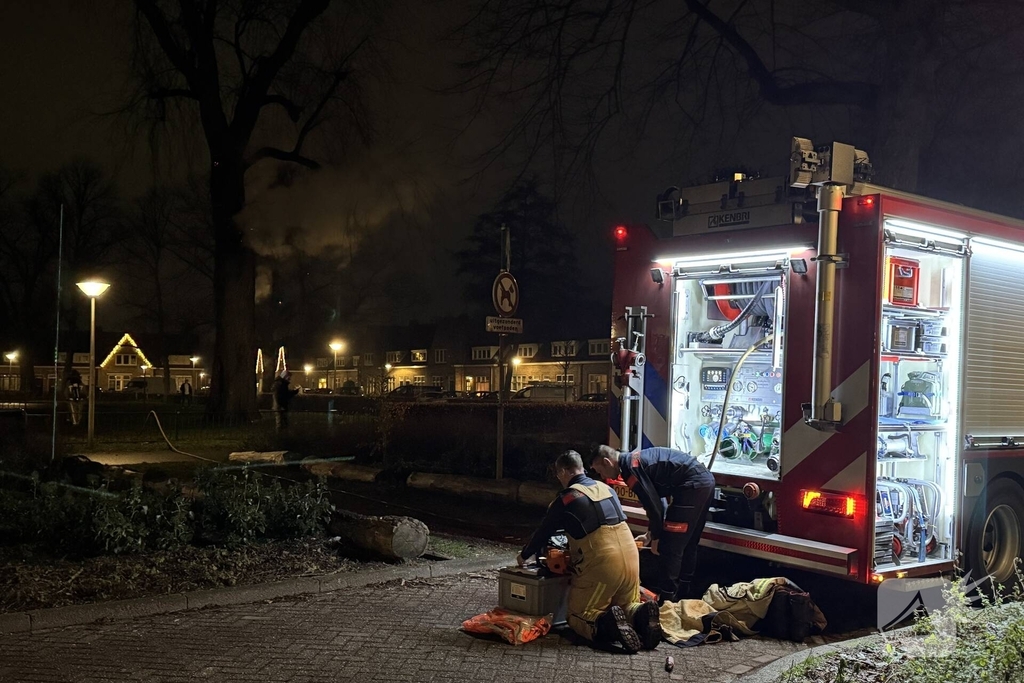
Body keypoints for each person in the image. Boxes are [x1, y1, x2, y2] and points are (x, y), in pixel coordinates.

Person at [517, 450, 661, 653]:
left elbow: (544, 532)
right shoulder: (606, 488)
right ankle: (640, 615)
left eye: (559, 476)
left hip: (603, 563)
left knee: (581, 615)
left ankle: (609, 627)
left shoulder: (566, 498)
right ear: (582, 469)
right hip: (631, 557)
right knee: (627, 602)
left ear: (565, 472)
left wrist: (524, 556)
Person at [591, 445, 716, 603]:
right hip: (704, 481)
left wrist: (657, 537)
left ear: (607, 462)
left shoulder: (631, 470)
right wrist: (651, 533)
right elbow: (659, 500)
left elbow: (653, 505)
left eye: (600, 471)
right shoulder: (635, 460)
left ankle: (667, 601)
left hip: (692, 486)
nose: (602, 476)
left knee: (670, 547)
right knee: (688, 543)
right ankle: (685, 593)